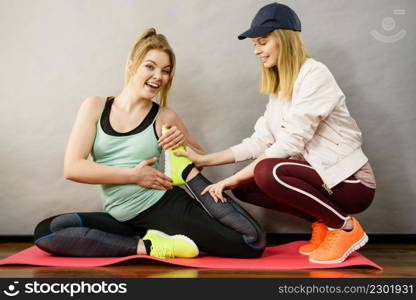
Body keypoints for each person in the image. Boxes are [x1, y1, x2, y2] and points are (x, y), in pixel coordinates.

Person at [33, 28, 265, 259]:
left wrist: (182, 147)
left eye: (165, 71)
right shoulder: (95, 106)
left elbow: (199, 159)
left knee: (251, 243)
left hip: (160, 206)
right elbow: (73, 168)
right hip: (122, 216)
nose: (158, 76)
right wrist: (134, 176)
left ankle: (178, 172)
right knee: (48, 230)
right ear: (132, 64)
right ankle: (151, 246)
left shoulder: (164, 116)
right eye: (150, 66)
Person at [175, 3, 376, 264]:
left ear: (283, 39)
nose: (256, 50)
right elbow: (260, 140)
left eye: (262, 42)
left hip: (351, 182)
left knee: (267, 171)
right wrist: (205, 160)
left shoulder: (315, 75)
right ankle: (323, 223)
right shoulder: (281, 87)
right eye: (254, 45)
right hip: (321, 178)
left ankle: (345, 228)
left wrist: (230, 180)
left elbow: (290, 142)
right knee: (246, 186)